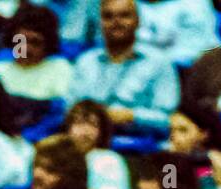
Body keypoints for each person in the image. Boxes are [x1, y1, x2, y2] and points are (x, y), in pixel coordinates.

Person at [67, 0, 181, 136]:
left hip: (138, 143)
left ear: (138, 21)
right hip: (87, 139)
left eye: (124, 15)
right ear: (99, 23)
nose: (116, 22)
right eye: (108, 16)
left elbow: (168, 118)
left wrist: (132, 116)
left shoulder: (159, 62)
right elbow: (70, 108)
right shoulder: (85, 61)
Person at [0, 1, 74, 101]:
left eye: (35, 42)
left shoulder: (60, 69)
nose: (26, 48)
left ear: (48, 44)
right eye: (21, 41)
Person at [63, 98, 132, 189]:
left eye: (92, 124)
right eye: (79, 123)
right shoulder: (57, 155)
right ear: (68, 127)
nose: (85, 131)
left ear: (102, 131)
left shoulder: (110, 160)